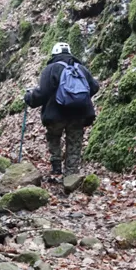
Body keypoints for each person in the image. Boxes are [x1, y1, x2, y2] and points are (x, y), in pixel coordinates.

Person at [24, 42, 99, 178]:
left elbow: (42, 93)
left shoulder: (51, 69)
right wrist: (77, 98)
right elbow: (94, 87)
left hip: (55, 115)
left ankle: (56, 166)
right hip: (79, 114)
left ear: (54, 54)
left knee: (53, 137)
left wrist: (29, 98)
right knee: (75, 142)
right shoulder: (81, 68)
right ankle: (71, 175)